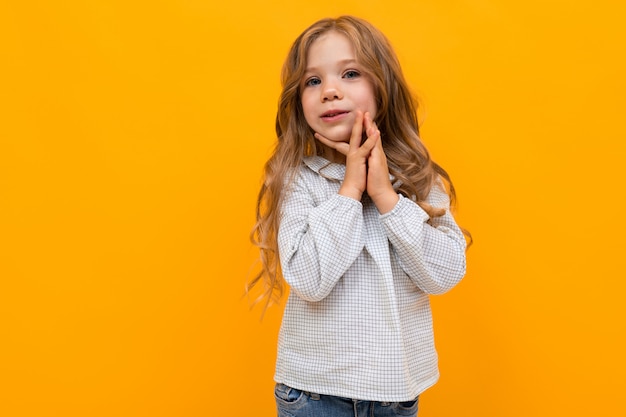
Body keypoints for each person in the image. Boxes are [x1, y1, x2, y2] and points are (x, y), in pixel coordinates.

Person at [249, 15, 470, 417]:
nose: (330, 91)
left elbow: (445, 273)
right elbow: (309, 280)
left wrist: (385, 195)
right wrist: (350, 191)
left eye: (350, 73)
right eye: (312, 82)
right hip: (314, 393)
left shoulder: (419, 178)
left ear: (382, 87)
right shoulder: (299, 179)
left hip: (395, 391)